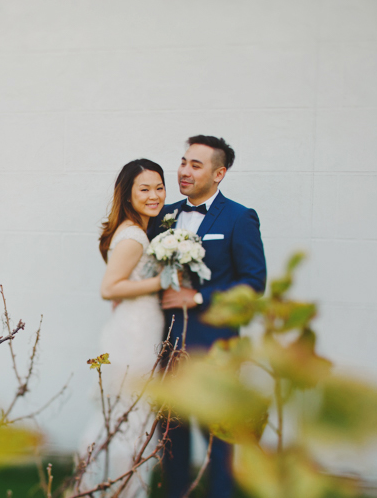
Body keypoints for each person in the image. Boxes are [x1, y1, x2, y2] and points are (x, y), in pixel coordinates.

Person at [147, 136, 267, 498]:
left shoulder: (239, 217)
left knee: (217, 443)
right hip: (167, 347)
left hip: (214, 349)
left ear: (219, 173)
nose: (183, 170)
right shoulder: (162, 214)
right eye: (183, 161)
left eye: (195, 165)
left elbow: (253, 283)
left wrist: (197, 296)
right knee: (170, 440)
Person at [82, 158, 167, 498]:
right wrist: (162, 280)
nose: (154, 195)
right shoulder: (133, 235)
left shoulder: (137, 230)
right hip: (135, 335)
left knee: (119, 418)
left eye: (159, 187)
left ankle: (104, 489)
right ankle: (122, 492)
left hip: (136, 327)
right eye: (144, 189)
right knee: (131, 419)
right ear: (128, 194)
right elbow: (109, 288)